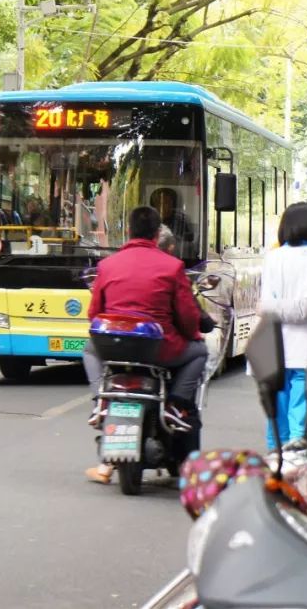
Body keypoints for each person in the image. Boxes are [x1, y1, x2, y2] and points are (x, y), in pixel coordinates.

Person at [85, 206, 207, 462]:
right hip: (159, 349)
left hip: (112, 346)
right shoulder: (173, 267)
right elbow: (187, 316)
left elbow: (94, 312)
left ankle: (100, 400)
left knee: (88, 349)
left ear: (128, 231)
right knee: (199, 352)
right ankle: (175, 404)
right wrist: (194, 334)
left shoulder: (107, 265)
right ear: (156, 234)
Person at [256, 202, 307, 449]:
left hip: (273, 346)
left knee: (275, 419)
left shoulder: (274, 257)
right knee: (303, 417)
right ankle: (298, 465)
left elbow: (267, 302)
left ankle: (275, 464)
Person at [150, 187, 196, 255]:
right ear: (154, 205)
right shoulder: (149, 219)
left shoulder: (181, 220)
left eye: (166, 202)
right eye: (159, 202)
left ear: (172, 204)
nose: (162, 206)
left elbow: (185, 245)